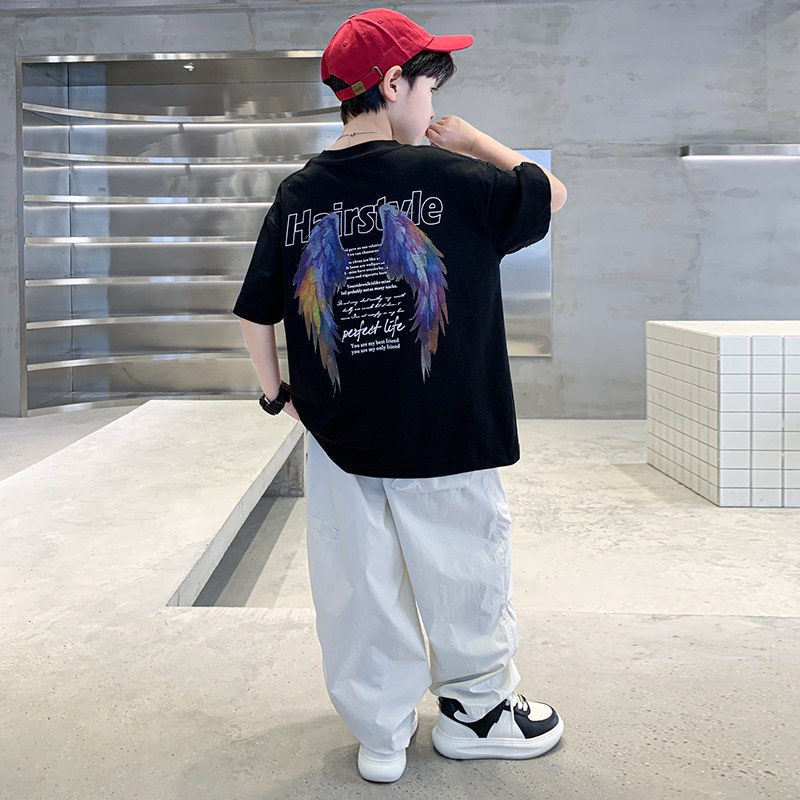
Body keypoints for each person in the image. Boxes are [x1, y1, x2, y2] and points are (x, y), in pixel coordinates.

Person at [233, 7, 568, 784]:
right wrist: (474, 141)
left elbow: (255, 314)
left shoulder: (298, 193)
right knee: (463, 569)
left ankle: (380, 736)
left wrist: (277, 396)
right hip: (448, 428)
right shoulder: (458, 179)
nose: (433, 104)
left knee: (358, 586)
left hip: (340, 437)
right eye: (428, 86)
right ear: (392, 85)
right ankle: (477, 715)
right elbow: (548, 193)